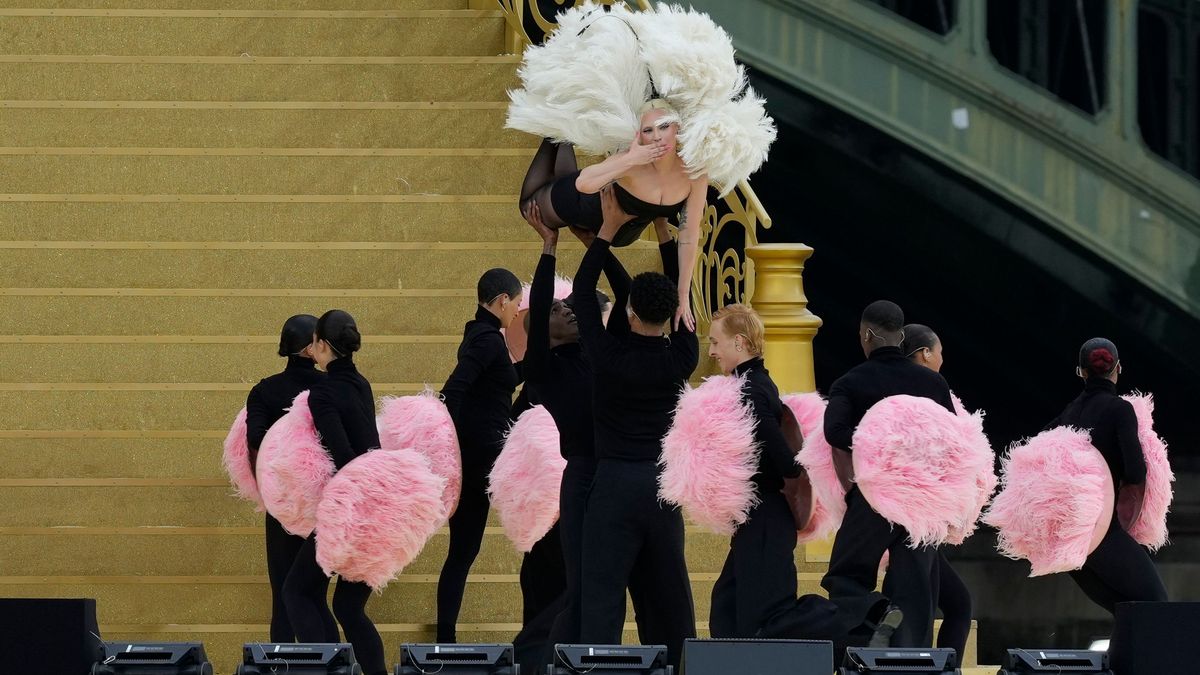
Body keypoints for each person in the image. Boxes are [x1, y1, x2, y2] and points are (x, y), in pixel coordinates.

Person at [507, 3, 778, 330]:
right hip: (574, 202)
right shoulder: (632, 157)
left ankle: (561, 123)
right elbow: (584, 184)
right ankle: (558, 121)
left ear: (677, 128)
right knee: (529, 203)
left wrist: (683, 293)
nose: (656, 137)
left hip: (618, 233)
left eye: (663, 127)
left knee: (562, 135)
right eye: (647, 130)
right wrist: (629, 159)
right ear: (639, 134)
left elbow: (690, 233)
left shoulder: (694, 169)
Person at [706, 304, 898, 653]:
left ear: (738, 342)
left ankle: (862, 618)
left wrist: (792, 478)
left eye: (715, 341)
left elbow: (776, 446)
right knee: (726, 608)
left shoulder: (749, 388)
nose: (711, 351)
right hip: (760, 516)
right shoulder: (757, 382)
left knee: (769, 618)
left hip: (766, 515)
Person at [573, 187, 698, 669]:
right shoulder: (682, 356)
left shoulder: (608, 357)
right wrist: (665, 228)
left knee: (602, 599)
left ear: (626, 313)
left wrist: (604, 233)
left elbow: (582, 296)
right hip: (663, 488)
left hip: (613, 485)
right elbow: (677, 287)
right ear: (674, 316)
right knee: (668, 596)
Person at [821, 301, 956, 647]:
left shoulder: (850, 382)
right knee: (914, 587)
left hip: (873, 496)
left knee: (845, 577)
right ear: (900, 336)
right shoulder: (931, 383)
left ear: (867, 335)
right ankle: (911, 664)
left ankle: (877, 612)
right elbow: (952, 438)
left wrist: (876, 442)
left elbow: (834, 431)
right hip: (921, 500)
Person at [282, 309, 386, 675]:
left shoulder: (321, 393)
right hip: (377, 502)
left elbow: (344, 456)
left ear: (323, 346)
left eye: (314, 342)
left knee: (296, 592)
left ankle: (327, 671)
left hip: (350, 505)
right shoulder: (362, 383)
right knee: (348, 607)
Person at [1044, 338, 1168, 613]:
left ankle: (1125, 657)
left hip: (1073, 541)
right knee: (1157, 606)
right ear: (1118, 368)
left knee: (1126, 609)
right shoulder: (1120, 410)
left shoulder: (1070, 412)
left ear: (1081, 372)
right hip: (1104, 531)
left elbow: (1038, 449)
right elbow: (1135, 471)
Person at [437, 268, 523, 642]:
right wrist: (452, 445)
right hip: (485, 459)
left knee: (462, 552)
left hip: (480, 456)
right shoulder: (488, 341)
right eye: (517, 305)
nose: (518, 313)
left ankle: (446, 636)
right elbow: (453, 391)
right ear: (503, 301)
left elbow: (500, 381)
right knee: (464, 552)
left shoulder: (480, 335)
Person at [244, 314, 328, 643]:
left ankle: (278, 667)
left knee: (282, 598)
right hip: (321, 506)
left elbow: (256, 440)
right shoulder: (330, 388)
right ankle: (331, 667)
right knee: (314, 597)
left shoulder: (264, 390)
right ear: (309, 349)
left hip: (280, 504)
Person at [900, 324, 972, 658]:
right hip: (919, 510)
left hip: (899, 506)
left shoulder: (890, 382)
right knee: (925, 605)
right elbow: (950, 443)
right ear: (925, 353)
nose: (942, 359)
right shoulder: (931, 384)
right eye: (939, 351)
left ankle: (941, 667)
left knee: (955, 603)